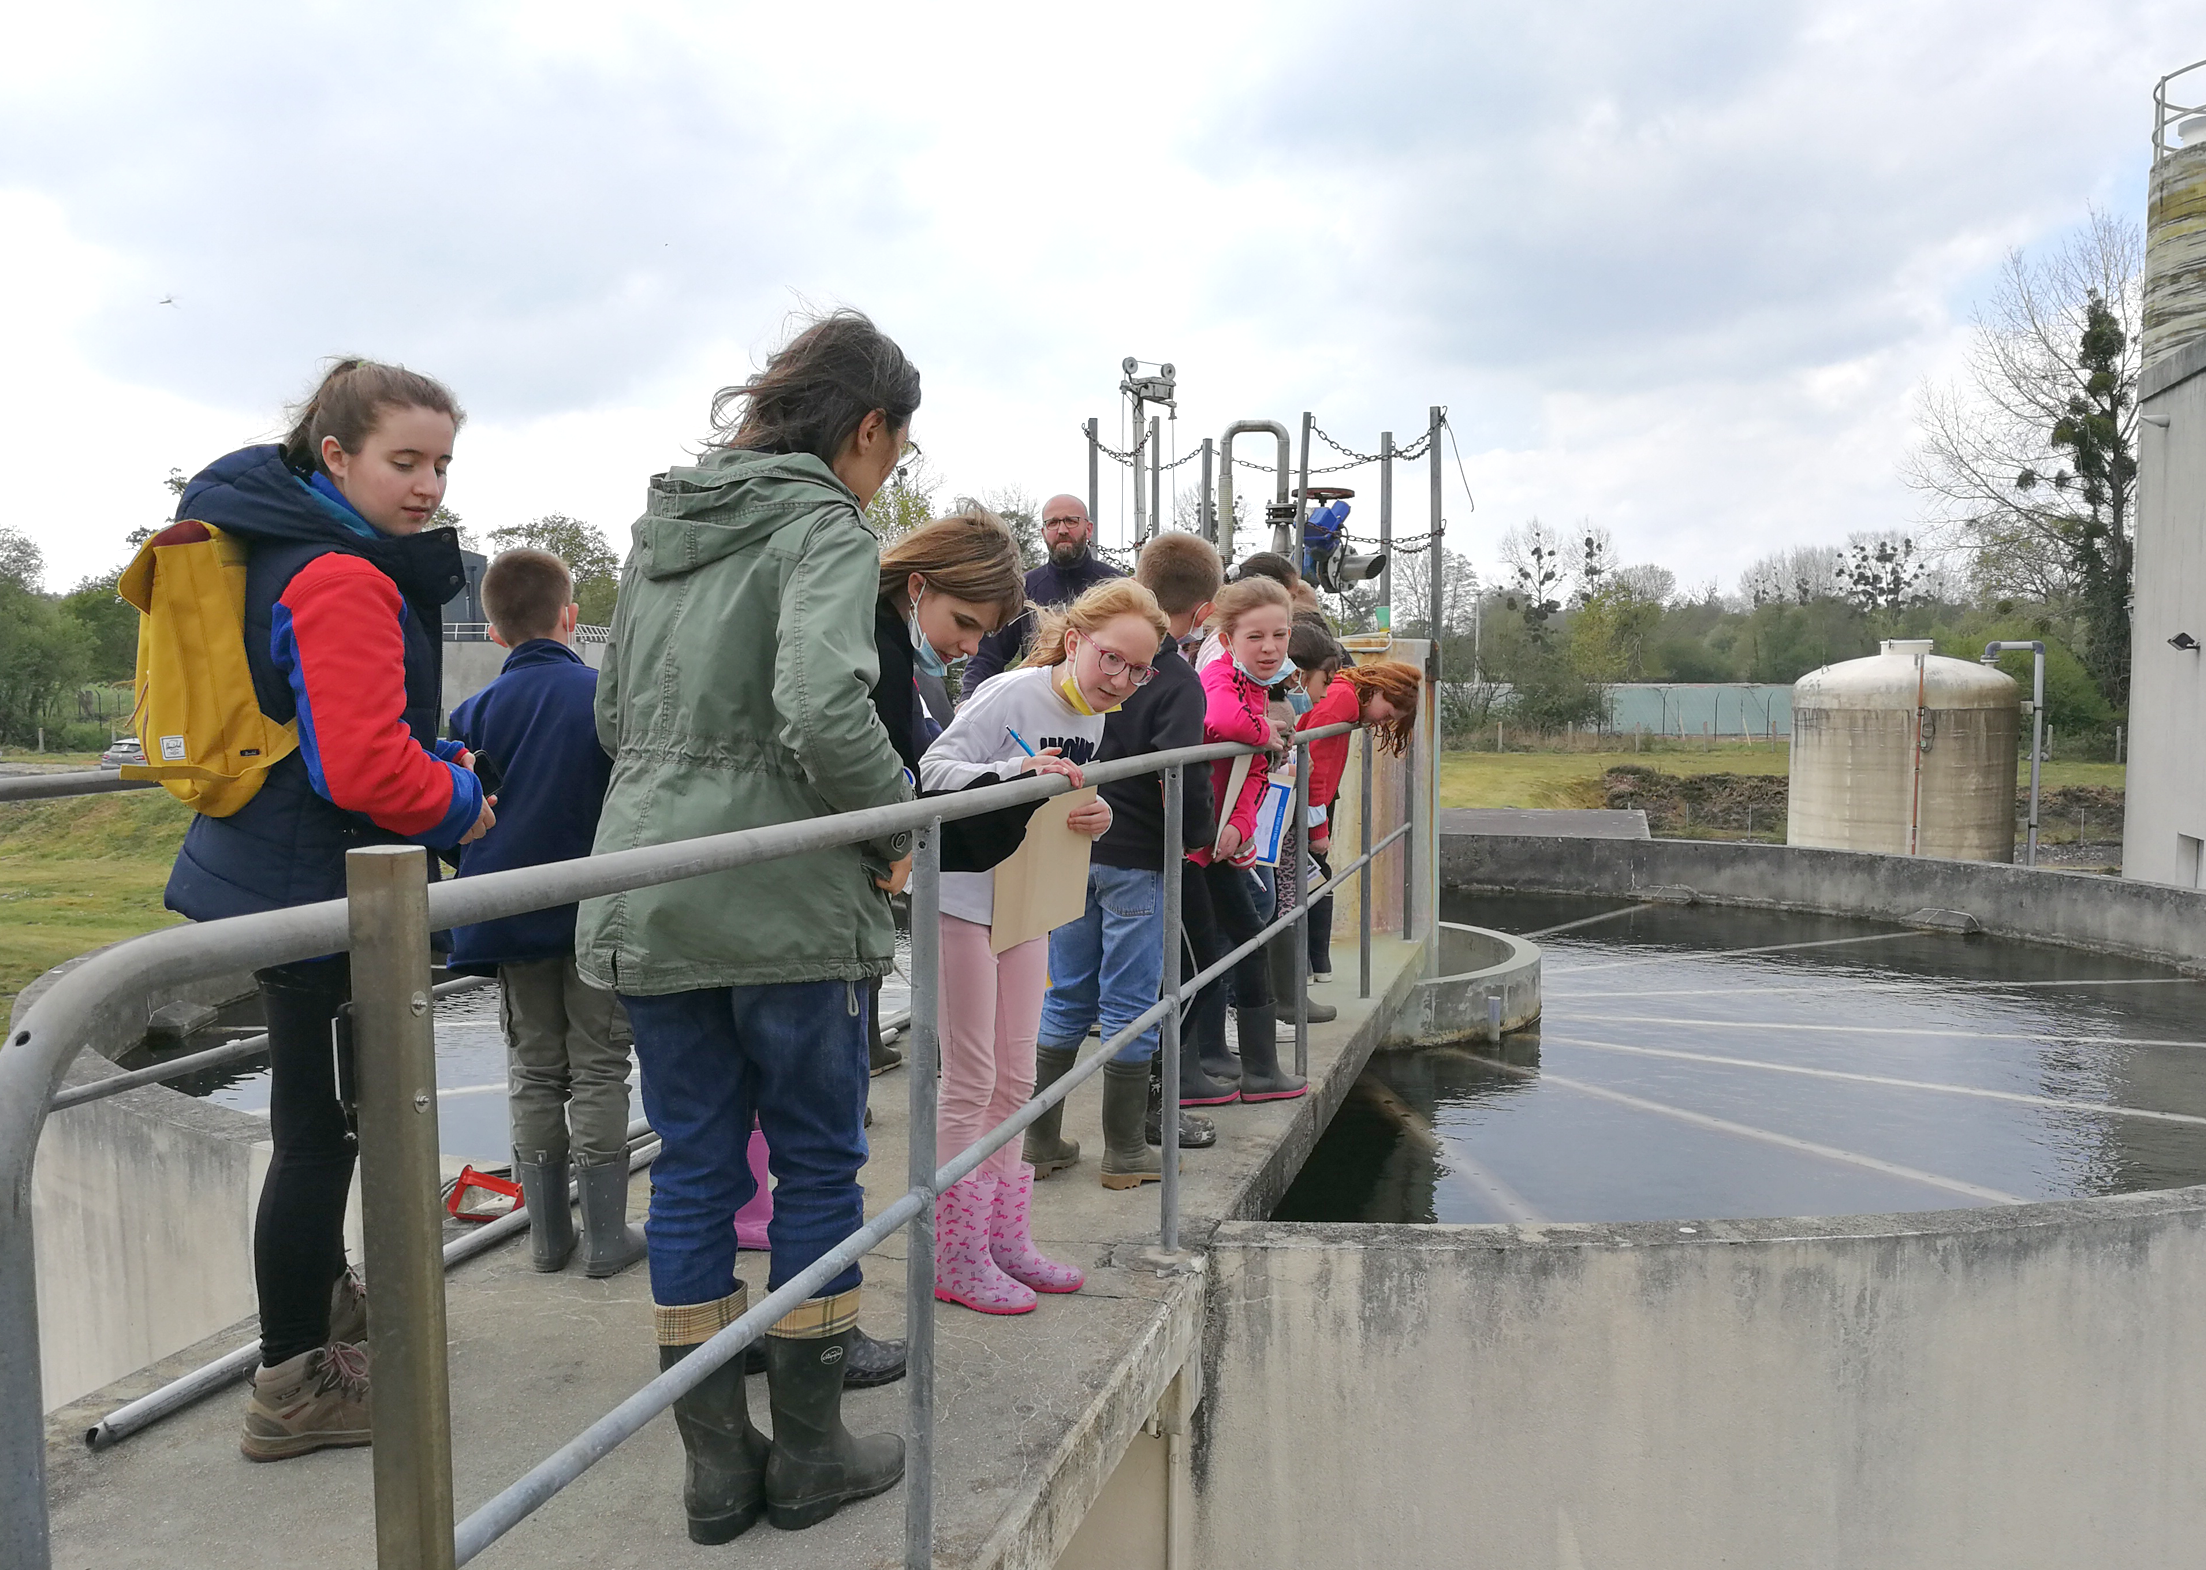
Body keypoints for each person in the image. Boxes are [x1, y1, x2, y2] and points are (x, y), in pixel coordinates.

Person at [578, 310, 914, 1541]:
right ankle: (813, 1452)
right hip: (778, 897)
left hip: (650, 880)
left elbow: (613, 714)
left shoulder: (663, 526)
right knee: (819, 1161)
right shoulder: (825, 522)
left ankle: (717, 1469)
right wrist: (895, 824)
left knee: (696, 1172)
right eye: (890, 453)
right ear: (866, 428)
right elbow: (824, 706)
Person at [157, 358, 490, 1461]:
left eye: (442, 462)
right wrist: (462, 798)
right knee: (319, 1140)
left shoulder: (277, 549)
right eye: (405, 461)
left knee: (314, 1130)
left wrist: (425, 759)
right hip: (321, 885)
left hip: (267, 868)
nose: (430, 485)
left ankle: (326, 1328)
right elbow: (363, 769)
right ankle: (297, 1379)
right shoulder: (342, 576)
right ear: (336, 457)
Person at [919, 579, 1166, 1308]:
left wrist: (1088, 812)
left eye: (1138, 671)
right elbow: (930, 771)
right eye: (1111, 659)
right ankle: (953, 1255)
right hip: (964, 899)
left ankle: (1002, 1238)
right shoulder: (1011, 693)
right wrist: (1014, 774)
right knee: (970, 1077)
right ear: (1075, 641)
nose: (1120, 679)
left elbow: (1056, 795)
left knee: (1016, 1076)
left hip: (1025, 906)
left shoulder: (1091, 719)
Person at [446, 549, 642, 1279]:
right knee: (598, 1067)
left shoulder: (472, 713)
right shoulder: (602, 698)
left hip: (506, 912)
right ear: (571, 617)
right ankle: (605, 1240)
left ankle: (546, 1238)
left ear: (494, 633)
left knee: (533, 1068)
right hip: (595, 911)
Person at [1031, 533, 1229, 1187]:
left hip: (1071, 848)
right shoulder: (1172, 678)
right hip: (1139, 857)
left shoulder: (1088, 659)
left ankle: (1043, 1140)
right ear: (1202, 611)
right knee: (1130, 1005)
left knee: (1063, 998)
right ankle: (1124, 1153)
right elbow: (1183, 779)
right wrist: (1197, 836)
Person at [1184, 577, 1306, 1102]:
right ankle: (1207, 1069)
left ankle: (1241, 1065)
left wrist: (1240, 827)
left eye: (1280, 635)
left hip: (1215, 842)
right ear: (1229, 638)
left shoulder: (1255, 688)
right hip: (1190, 846)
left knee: (1236, 943)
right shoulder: (1219, 676)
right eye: (1255, 637)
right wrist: (1267, 732)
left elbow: (1255, 774)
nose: (1270, 648)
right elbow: (1218, 721)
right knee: (1211, 953)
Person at [957, 493, 1123, 698]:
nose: (1062, 530)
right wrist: (969, 701)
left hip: (1107, 712)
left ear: (1088, 529)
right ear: (1043, 532)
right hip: (1038, 712)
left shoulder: (1118, 588)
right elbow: (988, 656)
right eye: (1053, 523)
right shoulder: (1023, 590)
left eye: (1071, 521)